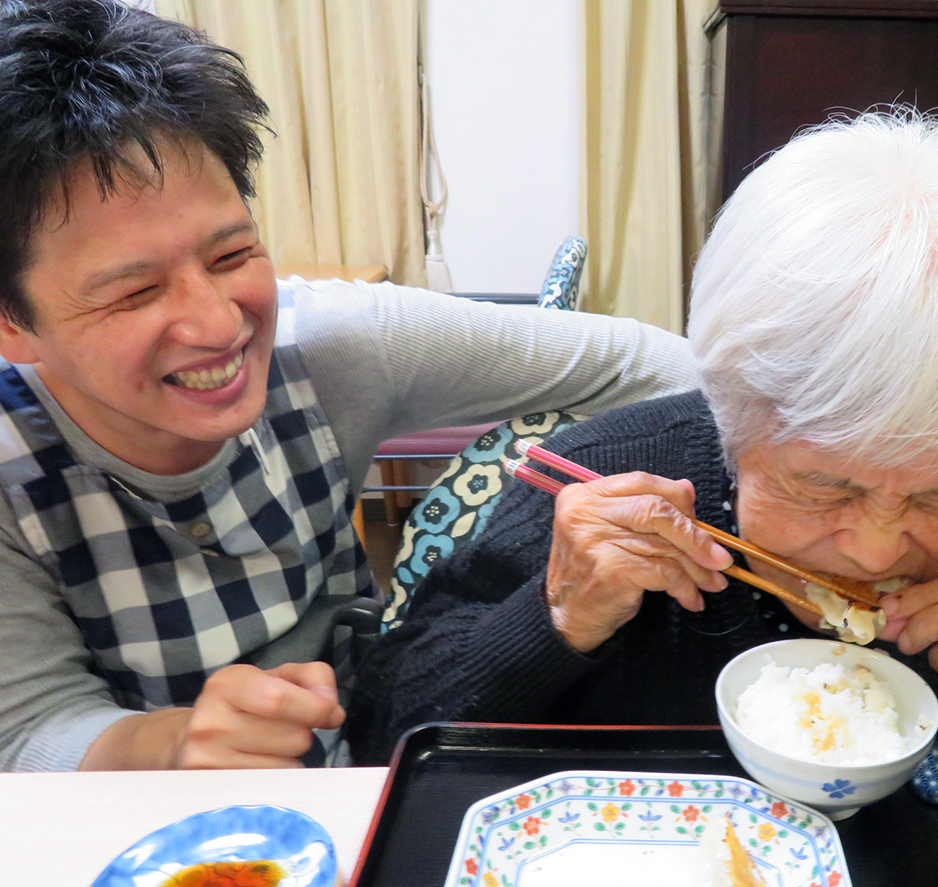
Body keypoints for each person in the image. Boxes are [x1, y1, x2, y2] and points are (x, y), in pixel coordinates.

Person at [347, 110, 938, 766]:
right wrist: (553, 618)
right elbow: (389, 719)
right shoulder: (616, 476)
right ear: (731, 417)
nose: (872, 550)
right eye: (824, 486)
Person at [0, 0, 700, 772]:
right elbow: (28, 729)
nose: (217, 322)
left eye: (232, 254)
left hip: (366, 757)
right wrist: (168, 744)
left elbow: (645, 361)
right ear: (12, 322)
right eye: (134, 293)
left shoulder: (333, 345)